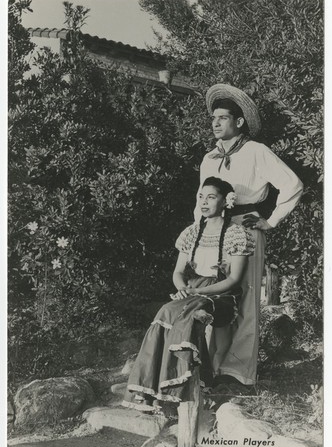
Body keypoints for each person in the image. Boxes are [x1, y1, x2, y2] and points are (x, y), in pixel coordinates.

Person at [194, 83, 303, 386]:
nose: (215, 123)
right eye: (213, 118)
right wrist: (199, 236)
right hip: (214, 233)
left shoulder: (256, 152)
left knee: (245, 300)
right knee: (214, 296)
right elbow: (200, 202)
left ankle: (239, 374)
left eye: (223, 118)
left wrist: (270, 220)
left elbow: (292, 185)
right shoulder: (209, 159)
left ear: (239, 122)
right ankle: (209, 369)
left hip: (246, 229)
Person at [122, 176, 255, 413]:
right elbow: (178, 272)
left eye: (211, 197)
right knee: (165, 311)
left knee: (186, 316)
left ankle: (180, 387)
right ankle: (149, 387)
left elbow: (234, 280)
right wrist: (182, 287)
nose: (204, 202)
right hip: (192, 291)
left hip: (221, 295)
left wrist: (198, 291)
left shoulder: (237, 234)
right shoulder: (192, 232)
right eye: (201, 197)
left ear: (226, 201)